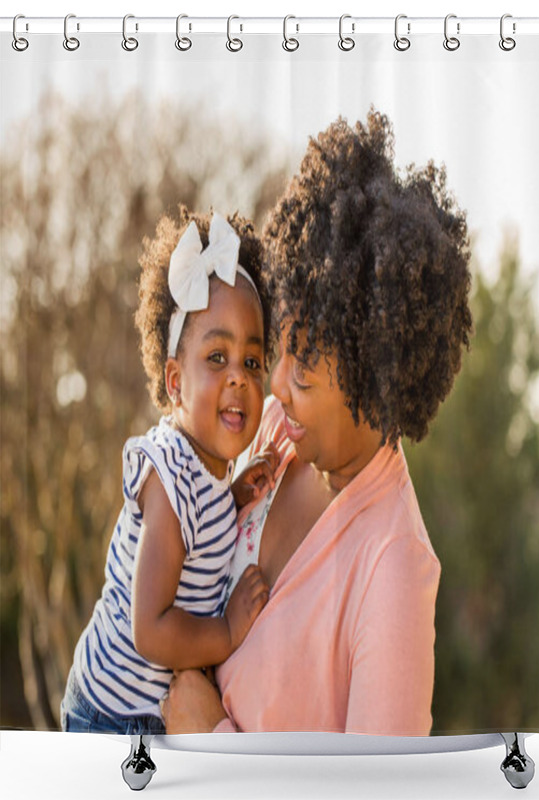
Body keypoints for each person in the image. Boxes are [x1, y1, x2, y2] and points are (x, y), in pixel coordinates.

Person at [162, 110, 473, 736]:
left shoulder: (393, 571)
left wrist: (210, 739)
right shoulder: (278, 434)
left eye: (303, 374)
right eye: (284, 350)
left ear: (376, 389)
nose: (273, 387)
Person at [61, 210, 276, 734]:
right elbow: (151, 631)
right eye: (217, 357)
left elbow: (200, 532)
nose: (238, 380)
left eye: (252, 362)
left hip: (148, 716)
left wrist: (234, 498)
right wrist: (226, 633)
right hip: (109, 715)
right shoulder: (168, 477)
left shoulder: (210, 473)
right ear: (175, 382)